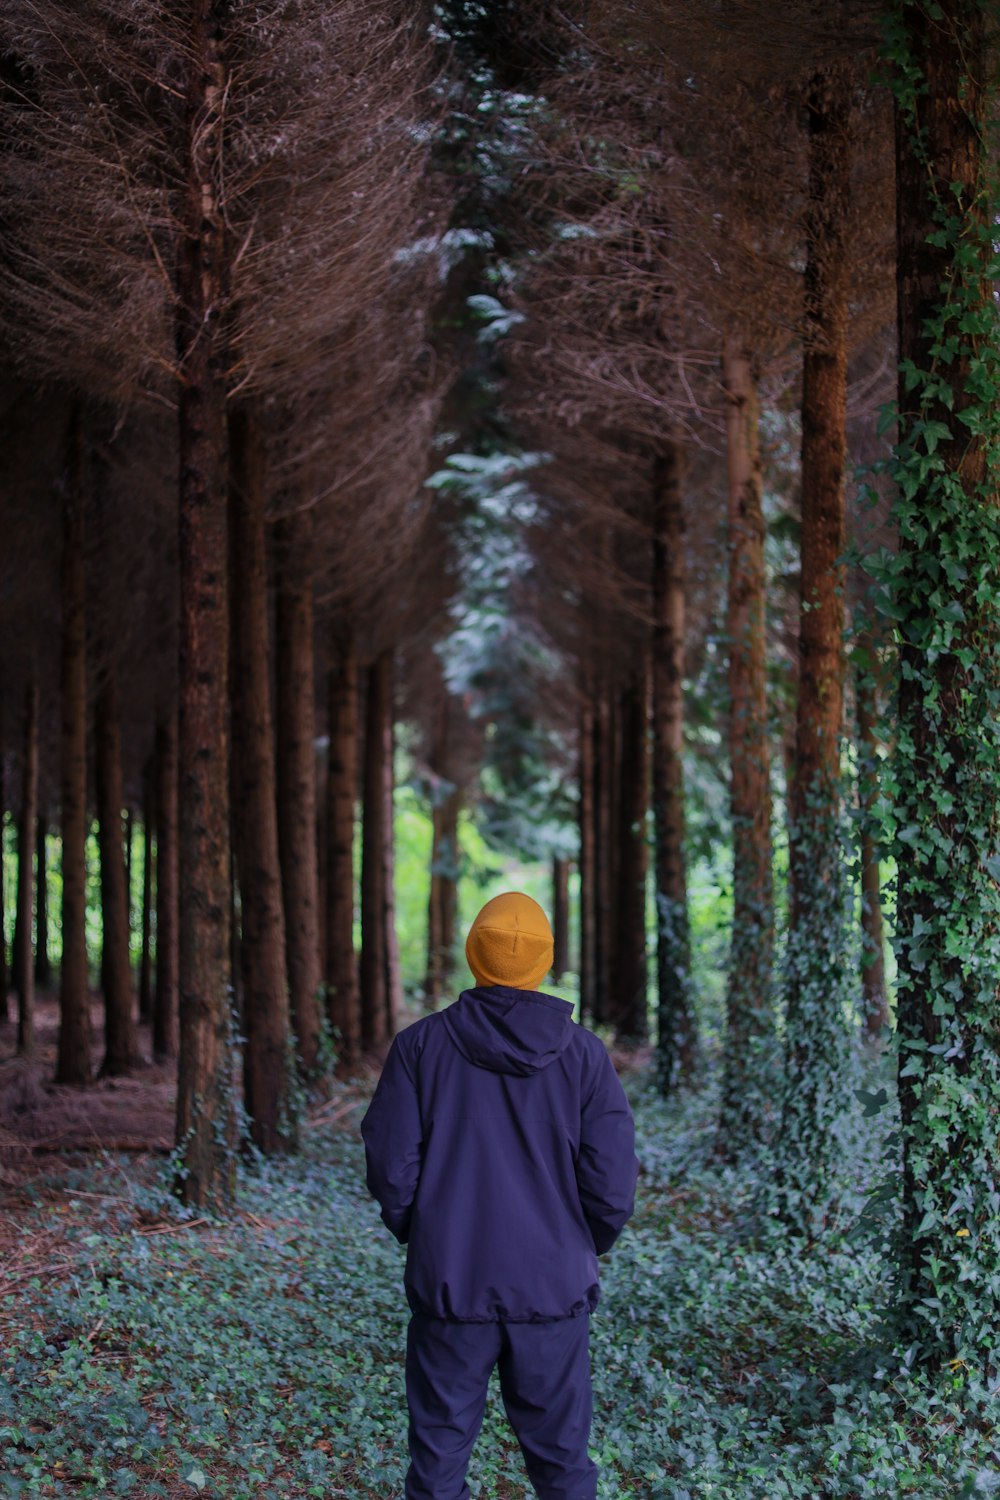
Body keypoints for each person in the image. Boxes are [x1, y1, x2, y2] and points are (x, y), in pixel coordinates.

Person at [361, 889, 638, 1500]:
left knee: (437, 1461)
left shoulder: (419, 1048)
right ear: (544, 962)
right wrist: (575, 1244)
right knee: (563, 1465)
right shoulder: (587, 1057)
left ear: (474, 956)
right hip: (552, 1290)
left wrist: (429, 1230)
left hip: (451, 1284)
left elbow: (390, 1165)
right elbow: (613, 1184)